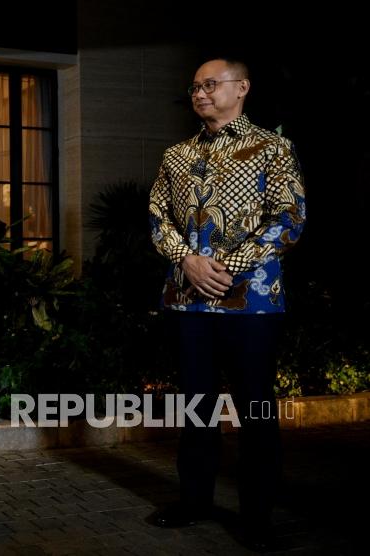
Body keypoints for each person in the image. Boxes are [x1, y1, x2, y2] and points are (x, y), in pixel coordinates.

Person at [148, 58, 306, 551]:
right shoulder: (175, 155)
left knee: (255, 411)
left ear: (241, 88)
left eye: (210, 85)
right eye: (194, 86)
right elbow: (157, 217)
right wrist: (188, 261)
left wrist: (227, 266)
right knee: (197, 409)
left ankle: (257, 516)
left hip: (252, 306)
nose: (200, 93)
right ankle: (195, 501)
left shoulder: (273, 148)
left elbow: (290, 217)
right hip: (186, 303)